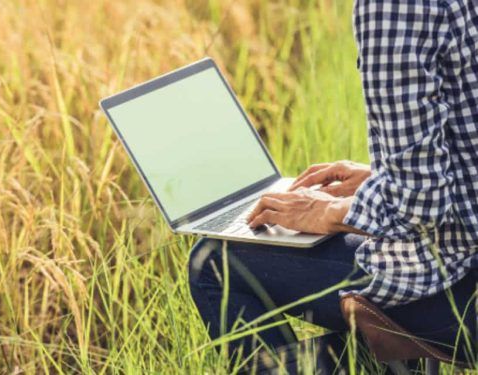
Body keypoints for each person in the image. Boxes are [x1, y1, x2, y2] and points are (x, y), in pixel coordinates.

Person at [189, 0, 478, 372]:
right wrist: (385, 178)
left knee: (215, 261)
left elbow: (421, 205)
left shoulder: (392, 7)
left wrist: (330, 210)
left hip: (465, 291)